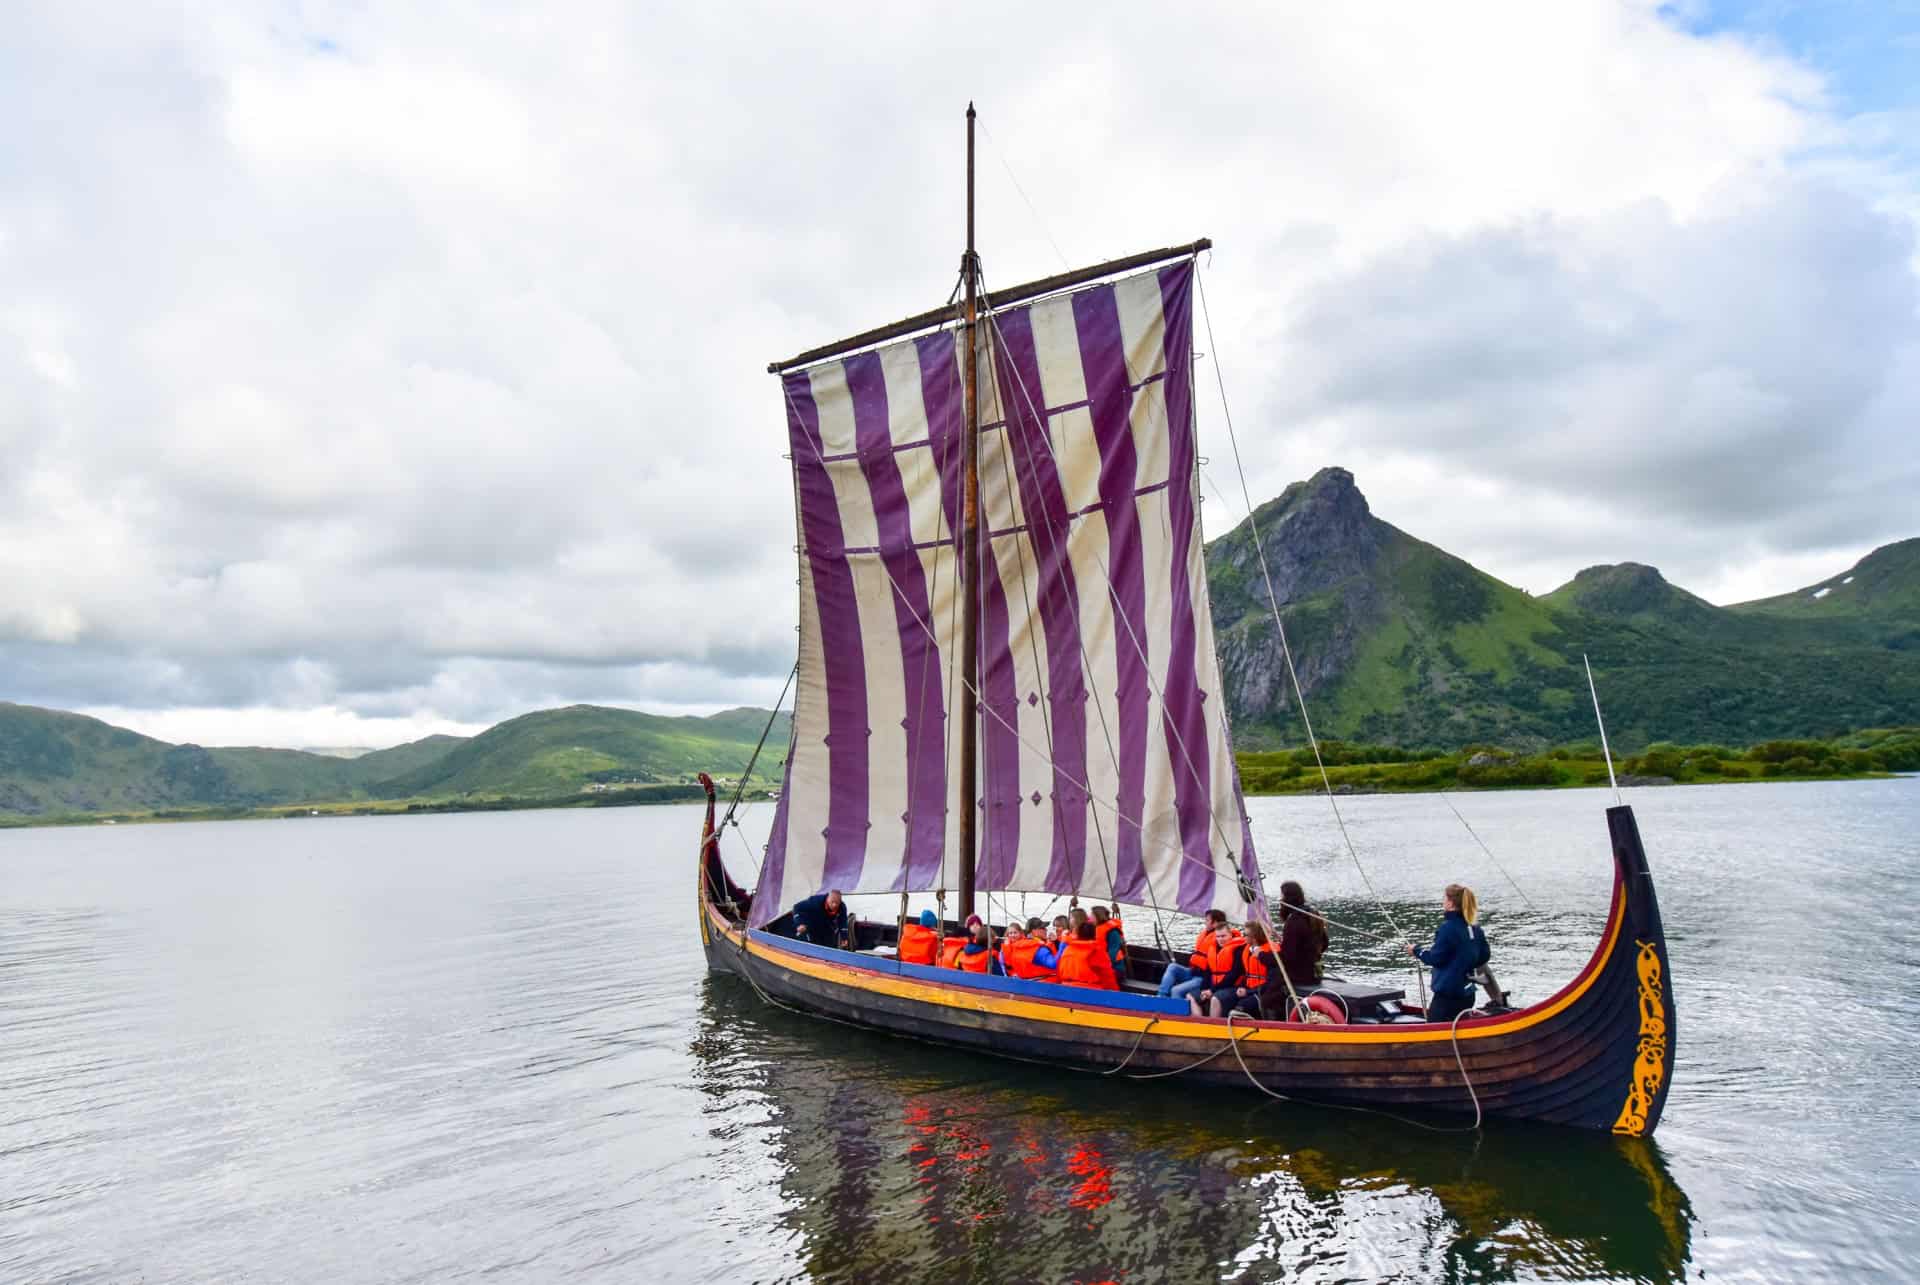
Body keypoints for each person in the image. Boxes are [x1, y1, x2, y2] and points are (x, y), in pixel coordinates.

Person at [1408, 883, 1489, 1024]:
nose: (1442, 901)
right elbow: (1484, 956)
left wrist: (1417, 951)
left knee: (1432, 1033)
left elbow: (1436, 958)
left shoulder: (1448, 928)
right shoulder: (1475, 928)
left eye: (1444, 898)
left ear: (1451, 903)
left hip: (1448, 997)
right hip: (1467, 994)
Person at [1215, 922, 1287, 1018]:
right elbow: (1245, 974)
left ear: (1255, 936)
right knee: (1224, 1000)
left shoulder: (1271, 953)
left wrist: (1248, 992)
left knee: (1241, 1007)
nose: (1243, 936)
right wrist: (1242, 987)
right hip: (1249, 989)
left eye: (1245, 934)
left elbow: (1272, 982)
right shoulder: (1246, 950)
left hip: (1264, 992)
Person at [1158, 908, 1228, 1000]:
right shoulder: (1205, 934)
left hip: (1202, 978)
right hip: (1192, 972)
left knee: (1176, 990)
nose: (1205, 922)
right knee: (1173, 967)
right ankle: (1161, 997)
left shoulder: (1219, 940)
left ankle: (1177, 1013)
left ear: (1215, 923)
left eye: (1207, 920)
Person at [1276, 880, 1329, 988]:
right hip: (1315, 973)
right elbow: (1324, 943)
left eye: (1281, 896)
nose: (1280, 899)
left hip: (1300, 977)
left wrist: (1262, 955)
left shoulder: (1294, 921)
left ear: (1287, 898)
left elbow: (1287, 956)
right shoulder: (1313, 913)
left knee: (1269, 992)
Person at [1189, 921, 1246, 1016]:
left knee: (1215, 998)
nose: (1220, 939)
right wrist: (1204, 989)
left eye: (1223, 936)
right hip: (1214, 987)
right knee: (1191, 996)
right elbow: (1208, 972)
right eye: (1218, 936)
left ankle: (1213, 1028)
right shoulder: (1213, 948)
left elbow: (1234, 975)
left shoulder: (1238, 949)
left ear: (1230, 935)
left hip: (1233, 987)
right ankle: (1199, 1024)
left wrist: (1212, 990)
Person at [1055, 921, 1119, 989]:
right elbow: (1107, 976)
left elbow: (1059, 971)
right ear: (1094, 935)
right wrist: (1115, 992)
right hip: (1090, 990)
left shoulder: (1068, 949)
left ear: (1078, 934)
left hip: (1066, 988)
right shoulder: (1096, 951)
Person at [1090, 905, 1127, 980]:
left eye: (1092, 916)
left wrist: (1100, 967)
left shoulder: (1112, 932)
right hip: (1102, 965)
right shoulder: (1097, 929)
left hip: (1115, 968)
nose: (1090, 918)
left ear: (1098, 916)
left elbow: (1113, 953)